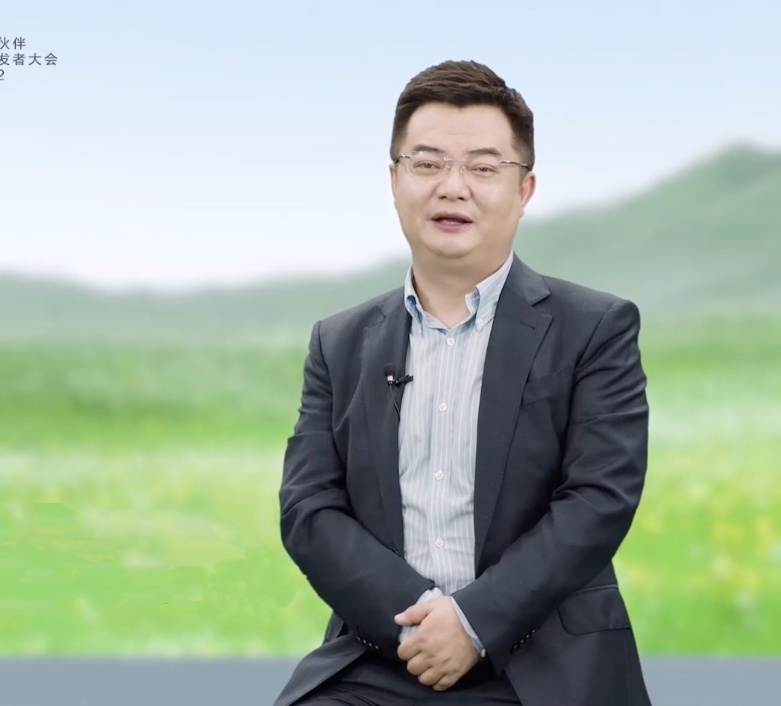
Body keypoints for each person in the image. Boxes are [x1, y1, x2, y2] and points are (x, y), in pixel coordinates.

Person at [273, 59, 652, 706]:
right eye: (427, 164)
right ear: (394, 181)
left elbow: (599, 498)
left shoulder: (594, 328)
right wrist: (421, 624)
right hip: (385, 654)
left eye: (482, 168)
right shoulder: (339, 343)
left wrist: (472, 623)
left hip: (542, 663)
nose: (453, 188)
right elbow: (309, 508)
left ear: (524, 190)